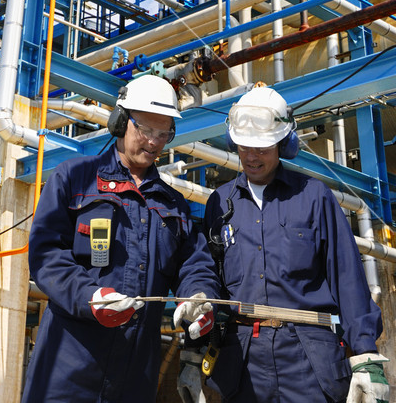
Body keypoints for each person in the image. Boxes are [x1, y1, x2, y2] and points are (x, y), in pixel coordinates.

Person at [178, 83, 388, 403]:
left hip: (308, 362)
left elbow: (347, 276)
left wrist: (365, 356)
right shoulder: (219, 203)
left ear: (283, 144)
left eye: (262, 148)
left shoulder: (314, 196)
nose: (251, 157)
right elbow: (207, 275)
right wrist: (193, 348)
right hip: (242, 365)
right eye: (244, 147)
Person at [20, 74, 220, 403]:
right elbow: (47, 256)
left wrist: (199, 296)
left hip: (134, 377)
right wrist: (89, 296)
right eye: (145, 130)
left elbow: (194, 265)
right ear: (120, 121)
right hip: (66, 371)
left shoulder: (173, 206)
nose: (154, 142)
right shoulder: (74, 179)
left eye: (164, 133)